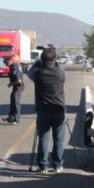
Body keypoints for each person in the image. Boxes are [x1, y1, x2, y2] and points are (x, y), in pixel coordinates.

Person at [28, 45, 67, 173]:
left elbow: (29, 72)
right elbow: (59, 68)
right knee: (59, 139)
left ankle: (43, 166)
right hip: (59, 110)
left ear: (42, 59)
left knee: (44, 139)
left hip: (43, 111)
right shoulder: (60, 73)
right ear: (55, 59)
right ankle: (58, 165)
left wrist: (37, 63)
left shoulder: (38, 73)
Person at [5, 58, 24, 124]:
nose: (5, 63)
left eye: (6, 62)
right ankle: (11, 117)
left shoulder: (14, 67)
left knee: (16, 102)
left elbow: (18, 81)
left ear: (10, 61)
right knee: (12, 100)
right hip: (15, 86)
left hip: (18, 86)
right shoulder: (12, 66)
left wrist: (10, 84)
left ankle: (16, 119)